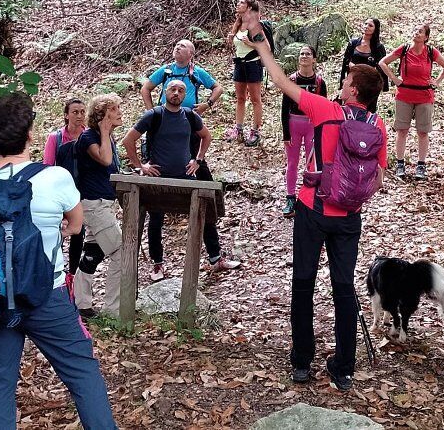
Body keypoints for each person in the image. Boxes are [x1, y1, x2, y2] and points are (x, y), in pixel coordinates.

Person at [243, 33, 387, 392]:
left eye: (347, 80)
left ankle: (302, 363)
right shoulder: (378, 127)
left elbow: (278, 80)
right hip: (348, 218)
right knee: (343, 288)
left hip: (312, 208)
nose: (342, 83)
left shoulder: (326, 109)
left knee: (304, 283)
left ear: (354, 91)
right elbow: (379, 179)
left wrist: (261, 43)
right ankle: (343, 368)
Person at [0, 93, 118, 430]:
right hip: (45, 296)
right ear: (30, 135)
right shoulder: (54, 178)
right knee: (83, 373)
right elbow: (76, 224)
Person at [121, 80, 241, 282]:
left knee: (204, 213)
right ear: (165, 92)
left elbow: (206, 136)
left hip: (186, 177)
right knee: (156, 219)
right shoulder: (154, 115)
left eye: (180, 90)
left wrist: (198, 159)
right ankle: (157, 264)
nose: (176, 93)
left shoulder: (190, 116)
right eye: (172, 90)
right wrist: (140, 166)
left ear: (185, 95)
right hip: (159, 179)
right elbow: (128, 140)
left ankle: (215, 258)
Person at [378, 24, 444, 180]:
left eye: (420, 32)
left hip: (425, 96)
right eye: (415, 30)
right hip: (404, 94)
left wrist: (437, 82)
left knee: (422, 132)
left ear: (426, 37)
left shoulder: (431, 52)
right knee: (402, 130)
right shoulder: (404, 49)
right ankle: (400, 163)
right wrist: (394, 78)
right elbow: (383, 62)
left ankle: (421, 165)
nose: (416, 33)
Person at [73, 94, 124, 318]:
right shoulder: (89, 137)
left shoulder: (109, 138)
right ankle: (114, 310)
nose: (120, 112)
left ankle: (81, 304)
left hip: (105, 203)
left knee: (92, 254)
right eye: (114, 109)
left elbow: (111, 169)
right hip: (94, 205)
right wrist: (104, 131)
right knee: (121, 253)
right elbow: (104, 160)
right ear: (102, 115)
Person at [43, 98, 87, 299]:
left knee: (79, 235)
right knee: (58, 234)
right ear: (66, 115)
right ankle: (54, 276)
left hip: (83, 194)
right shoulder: (56, 138)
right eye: (75, 112)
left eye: (82, 112)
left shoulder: (89, 136)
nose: (79, 116)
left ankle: (72, 278)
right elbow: (47, 166)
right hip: (60, 195)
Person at [281, 45, 328, 217]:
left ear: (314, 59)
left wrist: (321, 132)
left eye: (308, 54)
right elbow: (284, 107)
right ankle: (290, 197)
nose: (304, 56)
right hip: (294, 123)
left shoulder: (320, 82)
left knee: (312, 163)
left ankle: (311, 197)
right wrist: (285, 133)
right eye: (302, 54)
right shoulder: (291, 80)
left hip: (312, 125)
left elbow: (324, 108)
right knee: (292, 162)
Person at [224, 0, 269, 146]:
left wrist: (251, 43)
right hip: (239, 65)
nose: (238, 4)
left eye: (242, 2)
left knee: (255, 99)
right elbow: (237, 45)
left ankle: (255, 131)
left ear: (249, 7)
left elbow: (266, 48)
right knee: (240, 98)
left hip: (252, 64)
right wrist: (231, 39)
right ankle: (238, 129)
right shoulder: (238, 23)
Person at [140, 39, 224, 114]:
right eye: (177, 45)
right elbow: (145, 88)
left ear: (190, 54)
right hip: (165, 115)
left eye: (183, 46)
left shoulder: (197, 72)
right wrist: (151, 112)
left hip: (188, 117)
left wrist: (207, 104)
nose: (178, 47)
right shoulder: (166, 69)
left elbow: (218, 88)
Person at [338, 18, 388, 112]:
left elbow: (381, 66)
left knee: (368, 110)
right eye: (365, 24)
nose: (366, 27)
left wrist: (364, 71)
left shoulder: (378, 47)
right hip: (352, 82)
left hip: (369, 85)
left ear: (375, 29)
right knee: (350, 108)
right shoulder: (353, 43)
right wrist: (351, 67)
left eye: (370, 25)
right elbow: (346, 60)